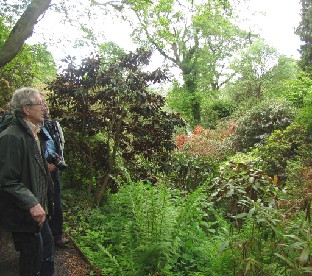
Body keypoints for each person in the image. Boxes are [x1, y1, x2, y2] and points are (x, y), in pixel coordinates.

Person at [0, 87, 55, 276]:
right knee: (32, 264)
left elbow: (28, 168)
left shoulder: (34, 133)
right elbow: (7, 180)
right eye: (40, 103)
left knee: (46, 256)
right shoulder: (11, 137)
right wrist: (32, 203)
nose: (44, 107)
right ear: (26, 109)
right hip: (25, 216)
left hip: (41, 212)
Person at [41, 97, 68, 247]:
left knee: (56, 202)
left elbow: (60, 144)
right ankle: (42, 239)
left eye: (45, 103)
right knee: (41, 202)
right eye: (41, 104)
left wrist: (58, 162)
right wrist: (45, 165)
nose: (44, 106)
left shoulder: (52, 125)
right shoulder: (31, 126)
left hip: (54, 170)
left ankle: (56, 236)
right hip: (39, 170)